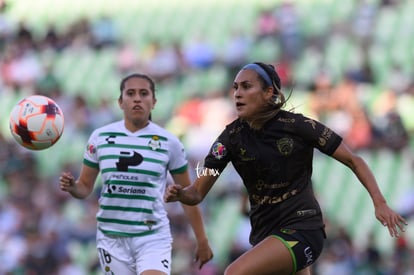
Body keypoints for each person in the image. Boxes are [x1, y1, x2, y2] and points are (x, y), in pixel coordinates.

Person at [164, 62, 408, 275]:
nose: (238, 93)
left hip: (302, 230)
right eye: (235, 87)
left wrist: (380, 203)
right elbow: (197, 192)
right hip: (265, 237)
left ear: (269, 92)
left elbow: (355, 160)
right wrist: (182, 193)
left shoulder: (298, 126)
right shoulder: (229, 138)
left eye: (246, 87)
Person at [59, 73, 213, 275]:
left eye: (144, 93)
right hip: (112, 238)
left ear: (154, 101)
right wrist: (73, 188)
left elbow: (189, 195)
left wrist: (202, 240)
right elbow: (85, 187)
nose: (137, 98)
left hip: (152, 236)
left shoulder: (169, 142)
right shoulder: (100, 137)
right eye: (130, 93)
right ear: (121, 102)